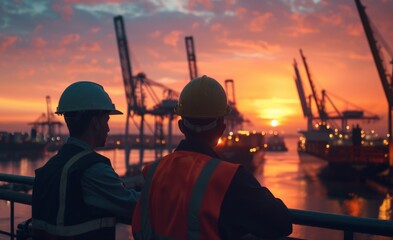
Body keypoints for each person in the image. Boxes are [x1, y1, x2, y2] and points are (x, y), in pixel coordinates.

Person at [131, 75, 293, 239]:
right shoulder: (230, 178)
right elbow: (282, 223)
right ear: (222, 128)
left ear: (181, 126)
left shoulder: (153, 171)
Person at [32, 81, 140, 240]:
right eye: (107, 120)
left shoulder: (52, 166)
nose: (108, 128)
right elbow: (133, 206)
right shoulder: (93, 169)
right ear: (95, 123)